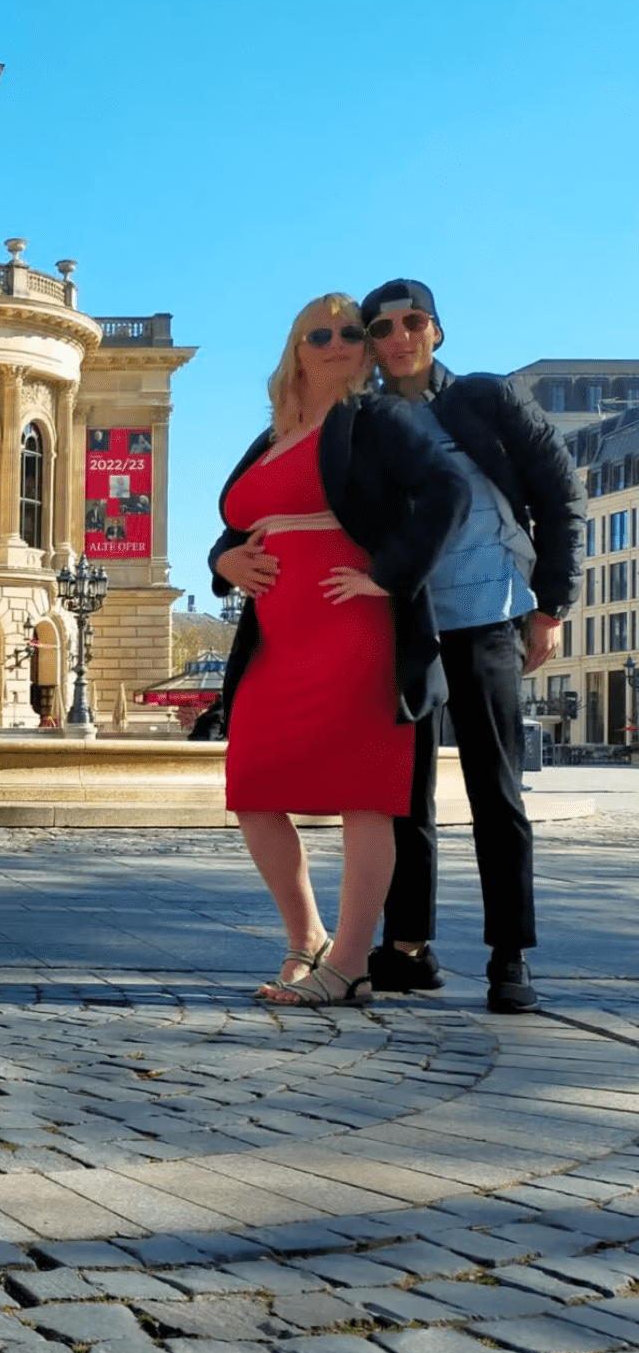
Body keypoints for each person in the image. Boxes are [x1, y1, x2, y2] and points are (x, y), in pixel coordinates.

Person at [210, 295, 471, 1005]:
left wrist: (388, 575)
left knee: (366, 796)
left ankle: (351, 959)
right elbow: (234, 523)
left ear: (364, 351)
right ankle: (309, 939)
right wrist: (224, 562)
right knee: (253, 788)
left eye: (350, 333)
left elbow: (449, 489)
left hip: (353, 629)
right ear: (296, 349)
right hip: (275, 639)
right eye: (317, 334)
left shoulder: (377, 420)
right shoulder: (269, 438)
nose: (335, 343)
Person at [360, 279, 586, 1013]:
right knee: (404, 794)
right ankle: (408, 949)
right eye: (382, 327)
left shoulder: (485, 401)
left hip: (491, 614)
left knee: (497, 790)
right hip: (408, 620)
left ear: (437, 331)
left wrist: (551, 607)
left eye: (413, 321)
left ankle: (508, 957)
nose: (399, 337)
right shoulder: (362, 423)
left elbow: (560, 497)